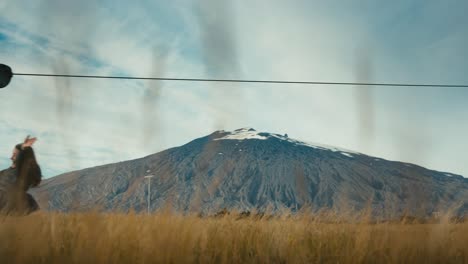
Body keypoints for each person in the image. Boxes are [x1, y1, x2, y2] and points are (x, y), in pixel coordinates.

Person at [0, 136, 42, 214]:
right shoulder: (5, 172)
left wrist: (23, 148)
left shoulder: (21, 172)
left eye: (15, 155)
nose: (11, 157)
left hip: (9, 204)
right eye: (12, 154)